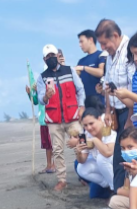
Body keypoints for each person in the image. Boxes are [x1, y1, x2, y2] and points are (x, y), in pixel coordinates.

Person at [97, 19, 137, 193]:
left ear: (115, 36)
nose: (103, 47)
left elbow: (133, 88)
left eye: (104, 43)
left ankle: (124, 198)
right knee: (118, 159)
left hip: (129, 112)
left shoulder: (130, 52)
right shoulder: (109, 56)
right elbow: (107, 83)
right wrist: (107, 110)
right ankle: (119, 197)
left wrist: (130, 119)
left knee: (127, 158)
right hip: (116, 113)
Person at [37, 44, 86, 192]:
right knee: (58, 150)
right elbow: (40, 98)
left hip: (72, 117)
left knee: (80, 145)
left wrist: (81, 106)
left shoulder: (69, 71)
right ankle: (62, 179)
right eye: (48, 57)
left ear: (57, 55)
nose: (51, 58)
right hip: (54, 120)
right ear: (44, 59)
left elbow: (80, 89)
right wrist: (46, 96)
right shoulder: (42, 77)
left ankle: (85, 175)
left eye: (53, 55)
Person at [70, 109, 116, 200]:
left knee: (101, 158)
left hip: (115, 166)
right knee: (80, 167)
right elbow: (82, 160)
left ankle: (115, 190)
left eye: (91, 123)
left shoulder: (107, 130)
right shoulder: (86, 134)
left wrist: (95, 140)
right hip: (103, 169)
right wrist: (78, 151)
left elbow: (108, 153)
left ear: (99, 119)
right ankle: (107, 185)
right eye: (86, 125)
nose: (89, 128)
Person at [25, 83, 55, 174]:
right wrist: (30, 93)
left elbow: (51, 98)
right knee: (47, 145)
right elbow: (35, 102)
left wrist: (40, 89)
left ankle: (54, 164)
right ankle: (49, 164)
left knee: (53, 144)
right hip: (43, 120)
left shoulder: (51, 88)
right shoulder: (40, 90)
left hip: (52, 119)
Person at [76, 30, 108, 107]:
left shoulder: (101, 55)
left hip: (100, 104)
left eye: (81, 41)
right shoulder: (81, 61)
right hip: (85, 105)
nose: (80, 45)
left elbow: (101, 72)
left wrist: (83, 68)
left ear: (90, 40)